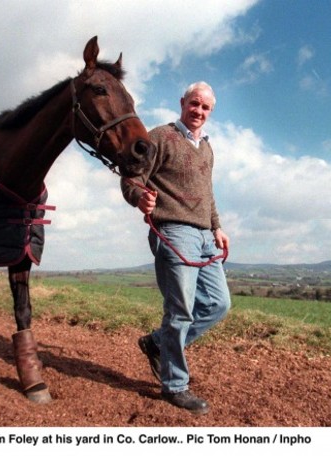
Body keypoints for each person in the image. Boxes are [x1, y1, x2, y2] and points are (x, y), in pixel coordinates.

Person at [121, 81, 231, 415]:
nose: (199, 111)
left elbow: (208, 193)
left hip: (203, 235)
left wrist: (217, 226)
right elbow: (130, 176)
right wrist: (139, 197)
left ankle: (157, 343)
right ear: (182, 102)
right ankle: (175, 385)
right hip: (173, 229)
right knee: (180, 310)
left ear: (211, 112)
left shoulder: (207, 149)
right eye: (194, 104)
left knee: (218, 304)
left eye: (206, 107)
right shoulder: (159, 137)